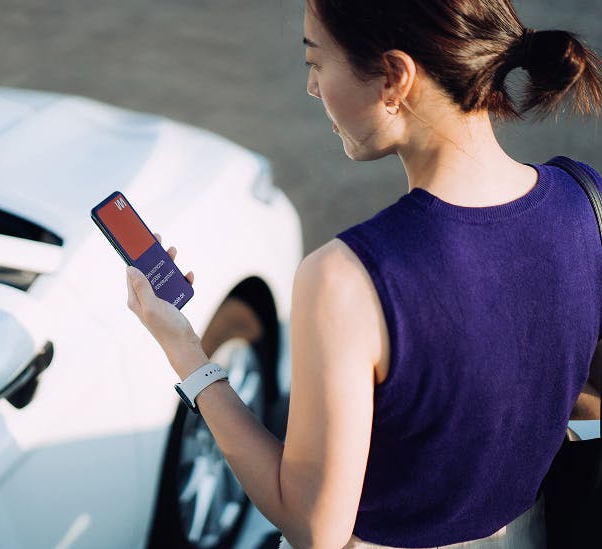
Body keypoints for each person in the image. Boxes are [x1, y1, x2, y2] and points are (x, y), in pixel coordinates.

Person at [124, 0, 602, 547]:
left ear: (395, 76)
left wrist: (186, 351)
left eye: (316, 61)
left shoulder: (346, 278)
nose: (311, 87)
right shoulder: (583, 200)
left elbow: (314, 528)